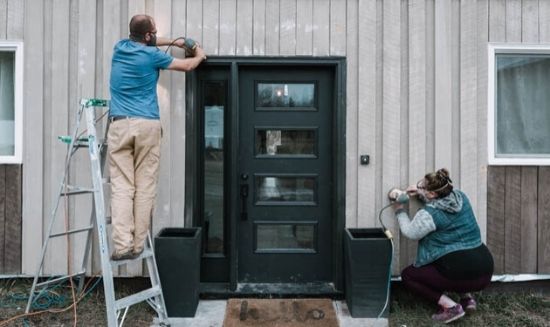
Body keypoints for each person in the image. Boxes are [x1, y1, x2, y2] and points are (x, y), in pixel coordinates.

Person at [108, 14, 206, 260]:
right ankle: (138, 246)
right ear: (149, 35)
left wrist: (174, 40)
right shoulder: (153, 56)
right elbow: (186, 66)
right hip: (146, 125)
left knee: (121, 187)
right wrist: (199, 55)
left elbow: (151, 40)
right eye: (154, 32)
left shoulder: (119, 48)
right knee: (145, 187)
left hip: (119, 124)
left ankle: (122, 246)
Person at [392, 168, 494, 324]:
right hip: (486, 270)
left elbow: (410, 232)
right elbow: (443, 205)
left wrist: (399, 210)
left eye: (422, 186)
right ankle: (467, 300)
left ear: (433, 194)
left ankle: (451, 307)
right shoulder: (461, 198)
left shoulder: (429, 215)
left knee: (409, 275)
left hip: (462, 273)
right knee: (455, 261)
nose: (419, 187)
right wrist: (421, 193)